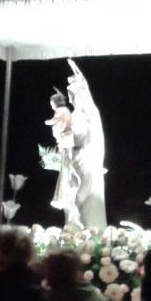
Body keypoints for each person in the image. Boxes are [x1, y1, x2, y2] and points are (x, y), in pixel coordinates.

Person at [45, 59, 106, 229]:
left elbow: (79, 136)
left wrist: (65, 136)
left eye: (72, 95)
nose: (70, 99)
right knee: (74, 196)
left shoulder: (82, 114)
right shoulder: (80, 113)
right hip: (78, 159)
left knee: (79, 197)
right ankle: (77, 226)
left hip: (84, 160)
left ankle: (82, 227)